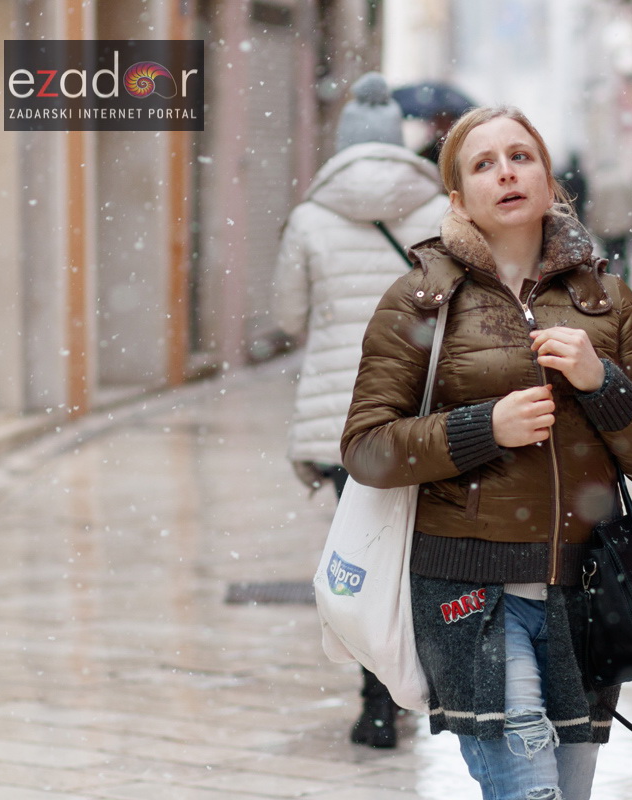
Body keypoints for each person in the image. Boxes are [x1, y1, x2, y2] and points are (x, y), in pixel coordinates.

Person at [340, 105, 632, 800]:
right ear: (459, 199)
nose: (507, 173)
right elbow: (367, 447)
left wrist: (601, 382)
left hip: (585, 592)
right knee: (529, 788)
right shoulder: (421, 299)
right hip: (469, 590)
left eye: (521, 157)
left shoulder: (607, 302)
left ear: (550, 180)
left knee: (568, 789)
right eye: (484, 163)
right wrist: (480, 429)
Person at [272, 71, 449, 747]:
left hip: (342, 416)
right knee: (413, 553)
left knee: (361, 549)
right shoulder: (436, 212)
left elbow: (287, 315)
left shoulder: (311, 216)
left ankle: (375, 702)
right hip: (417, 408)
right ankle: (411, 683)